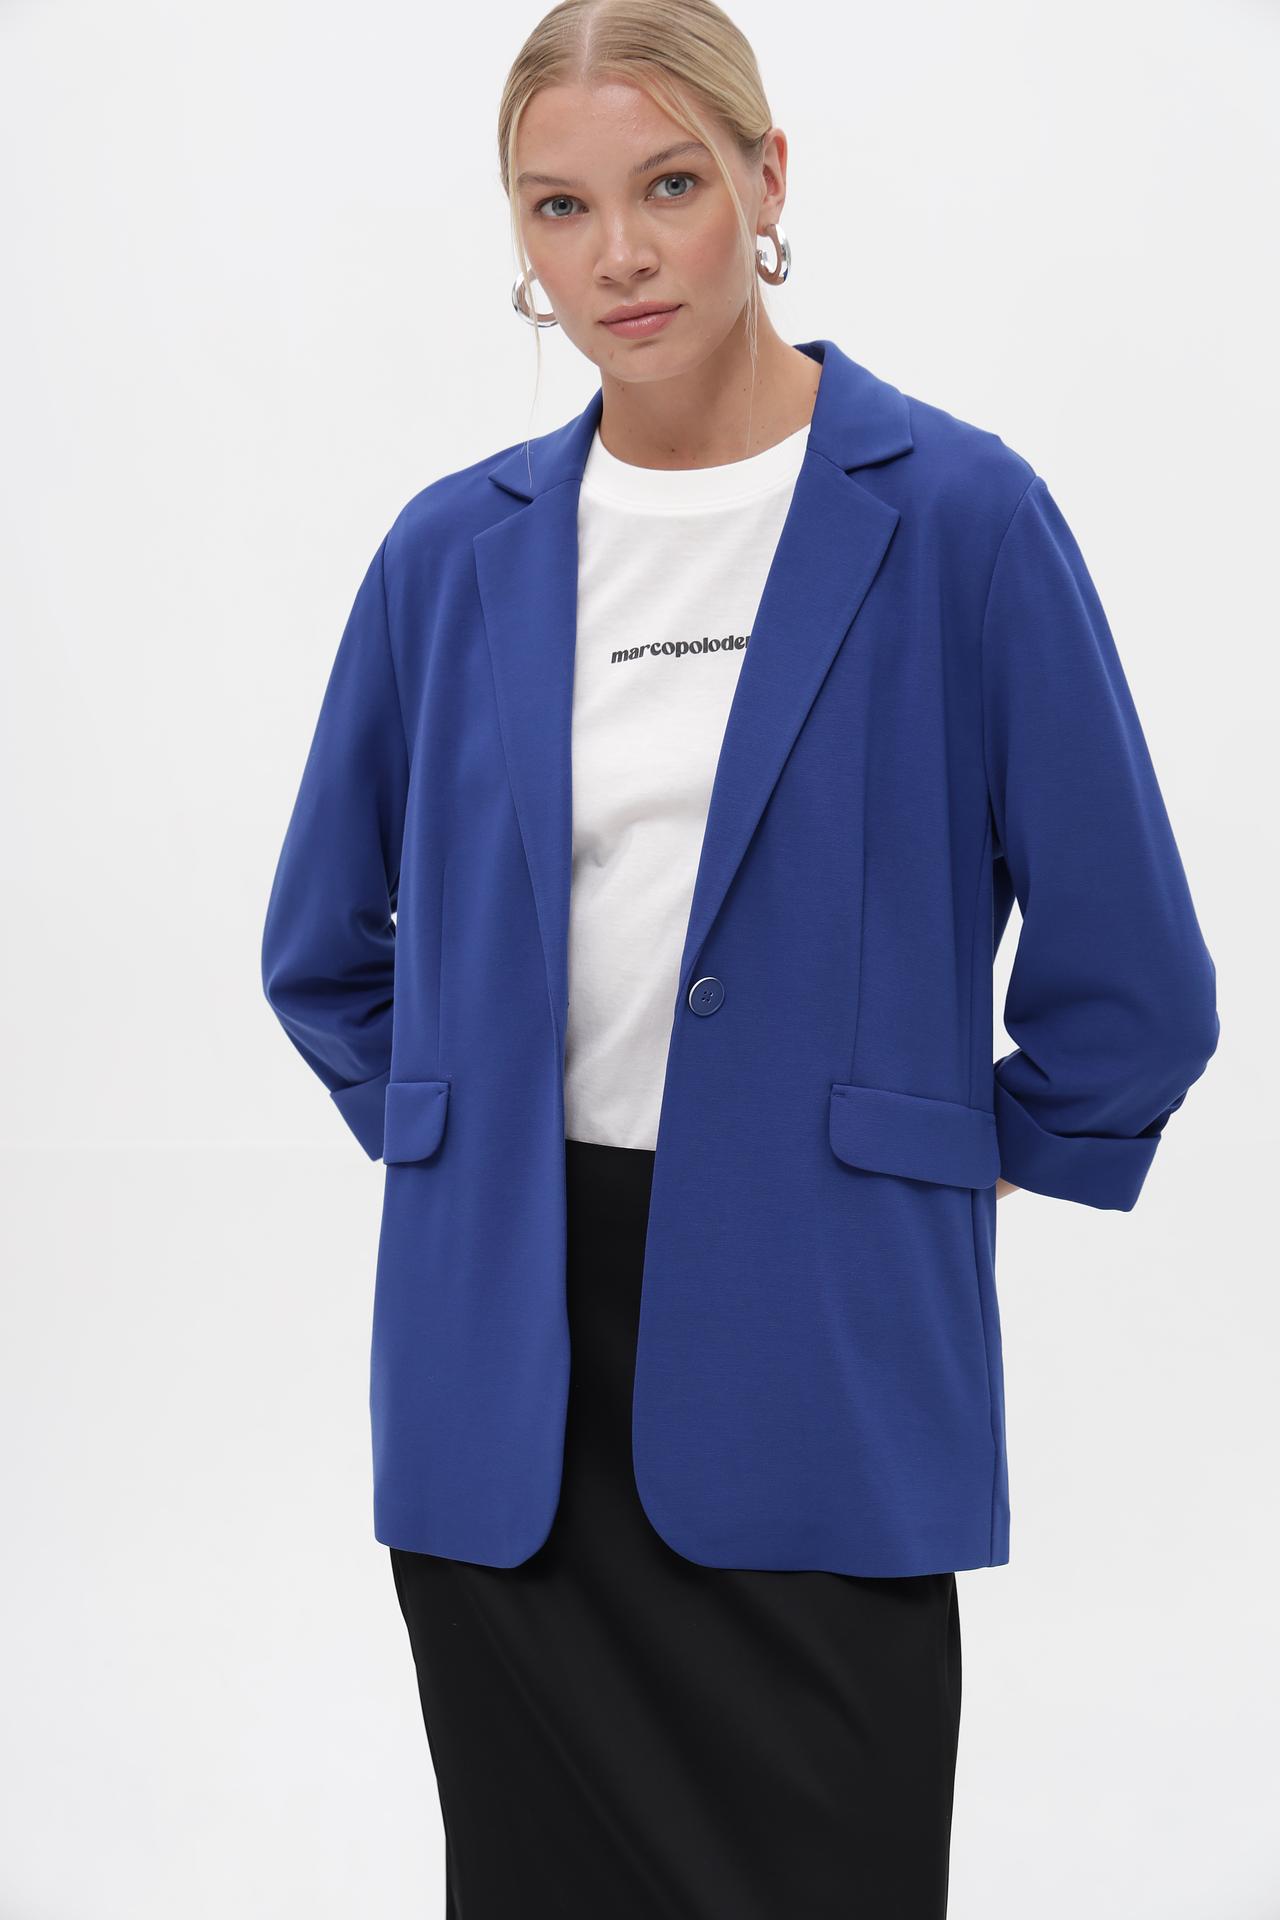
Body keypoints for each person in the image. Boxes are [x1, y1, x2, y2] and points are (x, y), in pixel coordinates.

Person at [260, 2, 1220, 1913]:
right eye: (559, 206)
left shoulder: (958, 518)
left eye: (671, 186)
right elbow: (322, 948)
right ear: (518, 236)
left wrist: (924, 1174)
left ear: (767, 185)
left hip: (822, 1357)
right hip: (506, 1386)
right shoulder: (451, 553)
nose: (617, 254)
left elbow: (1137, 983)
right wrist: (457, 1148)